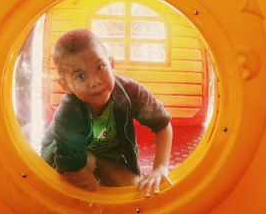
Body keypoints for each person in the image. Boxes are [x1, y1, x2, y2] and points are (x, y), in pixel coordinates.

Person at [41, 29, 173, 196]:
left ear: (112, 65)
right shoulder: (68, 113)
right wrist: (92, 190)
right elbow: (72, 167)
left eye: (100, 67)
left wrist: (160, 167)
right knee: (84, 175)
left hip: (107, 158)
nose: (95, 82)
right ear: (65, 85)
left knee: (134, 189)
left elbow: (162, 125)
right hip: (63, 158)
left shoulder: (131, 92)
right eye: (81, 76)